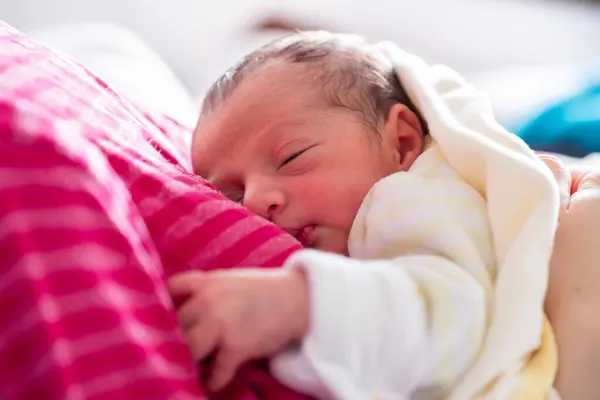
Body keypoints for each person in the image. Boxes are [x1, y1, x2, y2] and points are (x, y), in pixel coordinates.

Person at [168, 32, 569, 399]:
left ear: (402, 141)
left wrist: (299, 303)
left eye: (292, 157)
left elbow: (456, 317)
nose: (254, 201)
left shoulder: (413, 192)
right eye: (231, 195)